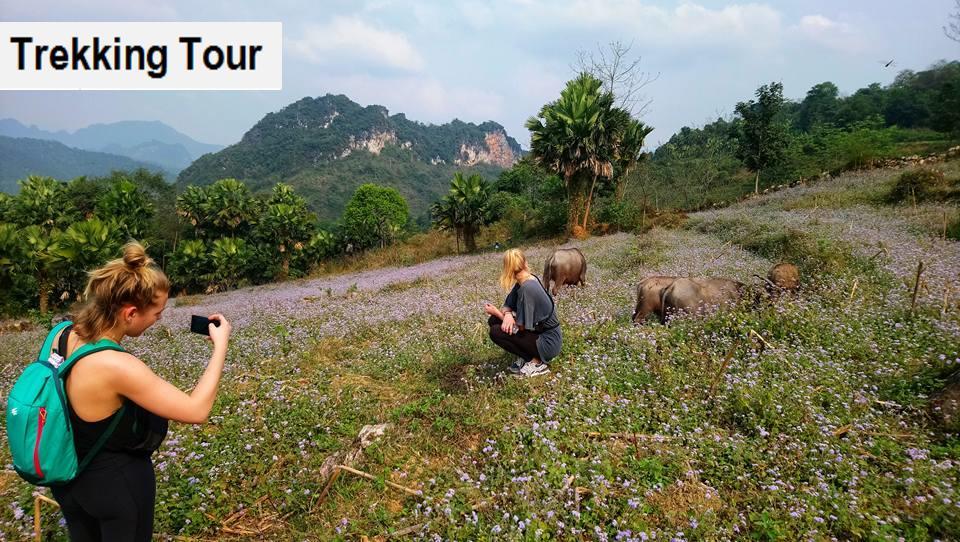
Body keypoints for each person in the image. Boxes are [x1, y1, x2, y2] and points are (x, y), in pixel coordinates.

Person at [50, 241, 232, 542]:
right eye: (157, 313)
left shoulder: (61, 333)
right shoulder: (115, 366)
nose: (157, 320)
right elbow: (197, 410)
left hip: (68, 481)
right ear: (131, 313)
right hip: (116, 488)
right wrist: (221, 345)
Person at [484, 248, 561, 377]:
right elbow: (507, 304)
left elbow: (520, 328)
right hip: (537, 333)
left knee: (496, 331)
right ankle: (528, 356)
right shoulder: (524, 280)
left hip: (547, 342)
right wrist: (507, 315)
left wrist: (498, 313)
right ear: (524, 262)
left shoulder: (528, 288)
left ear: (507, 268)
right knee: (493, 321)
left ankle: (535, 363)